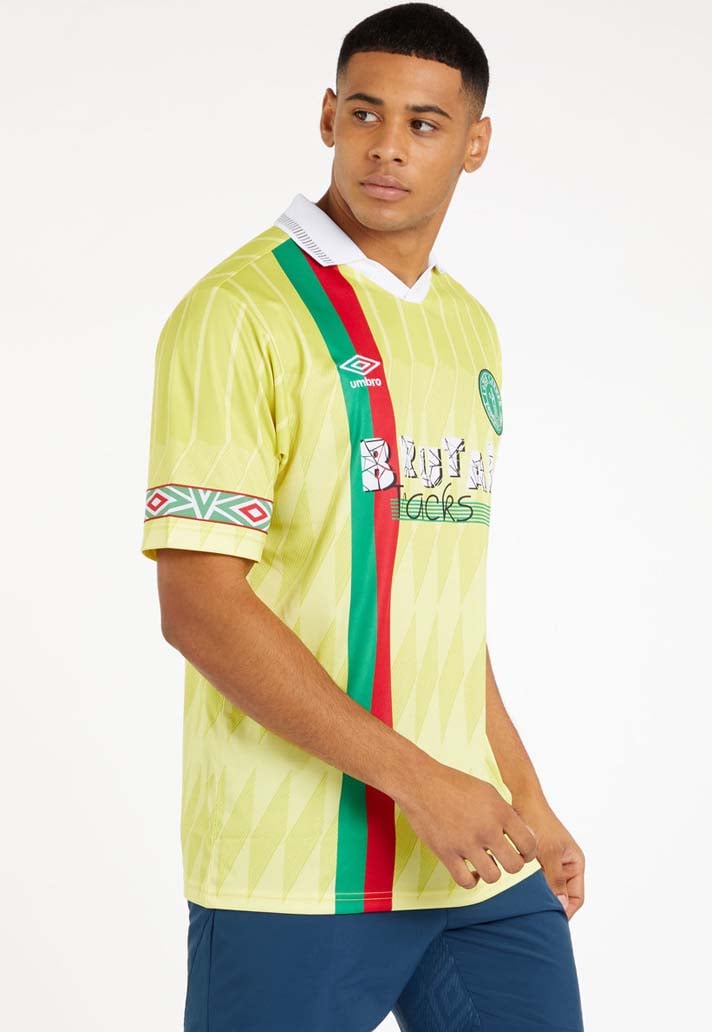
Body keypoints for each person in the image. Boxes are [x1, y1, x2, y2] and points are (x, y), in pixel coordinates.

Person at [140, 3, 586, 1029]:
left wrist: (523, 793)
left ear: (474, 143)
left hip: (471, 852)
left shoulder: (467, 328)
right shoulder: (240, 313)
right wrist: (419, 783)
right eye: (364, 112)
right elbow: (198, 606)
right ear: (327, 117)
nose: (388, 145)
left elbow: (432, 602)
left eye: (424, 123)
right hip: (295, 868)